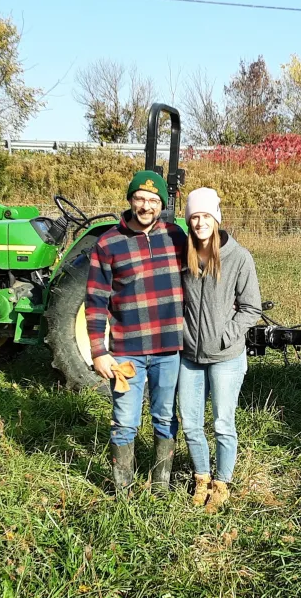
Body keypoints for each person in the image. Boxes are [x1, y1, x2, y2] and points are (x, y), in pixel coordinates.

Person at [85, 170, 187, 494]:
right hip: (127, 350)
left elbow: (198, 279)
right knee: (125, 421)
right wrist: (98, 351)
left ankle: (160, 486)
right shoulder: (108, 243)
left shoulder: (176, 236)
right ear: (130, 200)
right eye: (140, 198)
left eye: (153, 200)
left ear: (162, 204)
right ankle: (122, 491)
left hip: (169, 348)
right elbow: (96, 300)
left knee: (165, 416)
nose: (146, 206)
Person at [177, 187, 262, 512]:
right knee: (191, 423)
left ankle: (222, 482)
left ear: (215, 218)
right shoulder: (182, 255)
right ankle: (201, 477)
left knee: (223, 424)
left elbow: (251, 307)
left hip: (226, 357)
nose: (200, 223)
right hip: (190, 357)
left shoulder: (238, 257)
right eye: (194, 217)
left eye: (205, 216)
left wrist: (227, 336)